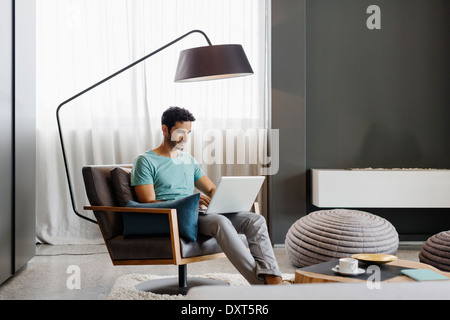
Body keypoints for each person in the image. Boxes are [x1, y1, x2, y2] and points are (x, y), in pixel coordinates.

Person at [130, 106, 283, 285]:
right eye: (180, 132)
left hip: (197, 213)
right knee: (220, 222)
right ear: (165, 129)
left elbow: (211, 189)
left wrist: (229, 199)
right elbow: (147, 201)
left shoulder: (188, 160)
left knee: (255, 220)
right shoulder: (145, 161)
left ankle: (273, 276)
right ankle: (263, 285)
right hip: (173, 217)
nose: (185, 138)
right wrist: (189, 201)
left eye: (188, 132)